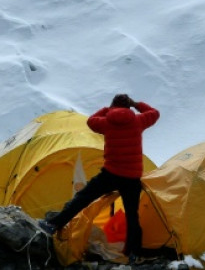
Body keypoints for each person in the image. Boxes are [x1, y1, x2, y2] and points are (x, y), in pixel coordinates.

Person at [38, 93, 160, 263]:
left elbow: (91, 121)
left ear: (113, 106)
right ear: (128, 106)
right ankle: (133, 252)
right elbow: (155, 113)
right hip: (132, 177)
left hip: (111, 174)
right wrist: (137, 104)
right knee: (132, 215)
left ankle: (54, 224)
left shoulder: (107, 123)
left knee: (83, 198)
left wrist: (107, 109)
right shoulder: (138, 121)